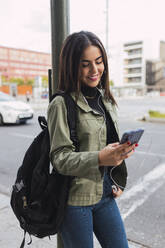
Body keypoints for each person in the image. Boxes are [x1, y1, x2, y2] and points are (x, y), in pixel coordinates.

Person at [47, 31, 137, 248]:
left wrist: (118, 176)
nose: (94, 70)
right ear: (71, 66)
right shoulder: (61, 104)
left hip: (106, 195)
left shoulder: (105, 99)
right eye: (85, 64)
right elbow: (59, 159)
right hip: (75, 202)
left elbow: (111, 145)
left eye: (99, 61)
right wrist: (99, 158)